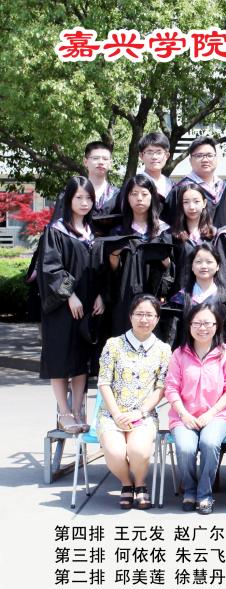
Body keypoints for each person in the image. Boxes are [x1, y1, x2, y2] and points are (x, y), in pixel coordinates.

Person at [38, 177, 104, 434]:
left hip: (88, 306)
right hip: (62, 309)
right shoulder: (55, 231)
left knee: (81, 359)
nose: (84, 203)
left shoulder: (94, 232)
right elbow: (51, 269)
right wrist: (70, 296)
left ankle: (78, 410)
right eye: (79, 198)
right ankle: (64, 413)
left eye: (89, 198)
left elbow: (101, 270)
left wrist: (100, 295)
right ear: (68, 199)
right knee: (61, 357)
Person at [96, 294, 172, 510]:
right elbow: (104, 382)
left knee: (138, 450)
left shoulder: (163, 350)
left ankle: (140, 483)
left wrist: (140, 412)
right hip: (112, 414)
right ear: (130, 316)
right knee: (115, 452)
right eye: (139, 314)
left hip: (143, 415)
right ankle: (126, 483)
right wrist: (117, 414)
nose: (144, 319)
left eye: (149, 315)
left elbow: (161, 388)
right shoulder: (113, 345)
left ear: (157, 319)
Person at [164, 303, 226, 514]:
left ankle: (205, 494)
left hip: (217, 415)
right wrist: (184, 414)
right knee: (186, 448)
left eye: (207, 323)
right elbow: (171, 388)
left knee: (210, 442)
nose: (202, 328)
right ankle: (189, 490)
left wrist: (211, 413)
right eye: (197, 323)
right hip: (183, 416)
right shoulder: (179, 354)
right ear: (189, 326)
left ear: (217, 326)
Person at [107, 175, 173, 335]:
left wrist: (165, 260)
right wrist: (114, 254)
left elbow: (170, 269)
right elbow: (110, 271)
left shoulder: (163, 231)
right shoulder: (118, 231)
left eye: (144, 194)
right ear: (127, 198)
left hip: (153, 293)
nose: (139, 198)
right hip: (124, 296)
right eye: (134, 194)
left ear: (152, 197)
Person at [163, 136, 226, 226]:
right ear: (190, 160)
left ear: (216, 158)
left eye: (209, 155)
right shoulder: (179, 190)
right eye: (199, 156)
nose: (205, 160)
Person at [169, 183, 216, 295]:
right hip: (180, 294)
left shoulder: (214, 234)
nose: (191, 207)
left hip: (209, 294)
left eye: (196, 201)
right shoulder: (172, 235)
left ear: (204, 203)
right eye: (186, 202)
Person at [83, 141, 120, 214]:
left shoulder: (118, 195)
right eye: (95, 158)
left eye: (105, 159)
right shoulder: (73, 193)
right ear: (85, 162)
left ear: (110, 163)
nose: (101, 162)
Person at [136, 132, 174, 199]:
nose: (154, 157)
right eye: (149, 152)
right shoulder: (134, 184)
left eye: (159, 153)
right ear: (141, 156)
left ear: (167, 156)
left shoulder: (171, 185)